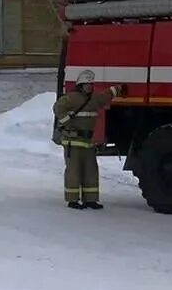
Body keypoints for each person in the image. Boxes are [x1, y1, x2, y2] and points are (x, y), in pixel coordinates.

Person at [52, 70, 123, 209]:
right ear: (80, 85)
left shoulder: (94, 99)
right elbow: (58, 108)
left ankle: (90, 200)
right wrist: (67, 121)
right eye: (87, 85)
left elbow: (105, 96)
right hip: (73, 141)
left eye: (91, 84)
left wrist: (117, 89)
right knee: (74, 171)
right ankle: (72, 200)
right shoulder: (70, 99)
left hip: (87, 142)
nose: (90, 87)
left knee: (91, 171)